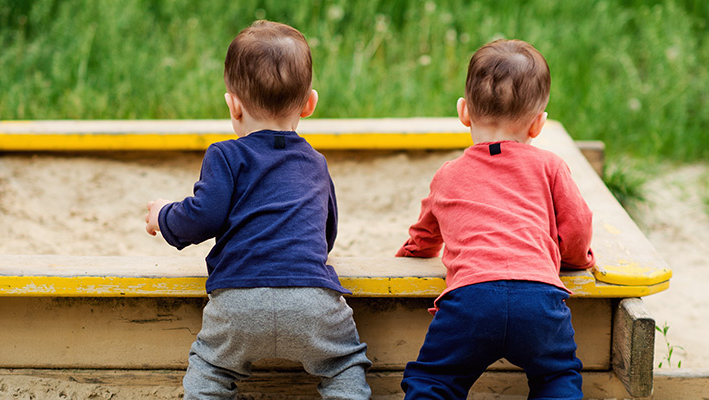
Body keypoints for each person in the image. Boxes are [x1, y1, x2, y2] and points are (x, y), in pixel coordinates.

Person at [144, 20, 371, 400]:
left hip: (238, 300)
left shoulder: (225, 155)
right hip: (312, 301)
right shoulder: (315, 161)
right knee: (343, 365)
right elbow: (326, 232)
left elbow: (202, 216)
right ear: (309, 104)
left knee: (211, 370)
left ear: (232, 104)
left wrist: (163, 216)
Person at [396, 39, 596, 400]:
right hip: (539, 299)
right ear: (538, 124)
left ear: (463, 112)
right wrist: (575, 260)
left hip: (470, 300)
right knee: (556, 376)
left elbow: (425, 232)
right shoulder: (550, 166)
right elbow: (577, 225)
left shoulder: (449, 173)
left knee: (435, 381)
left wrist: (411, 253)